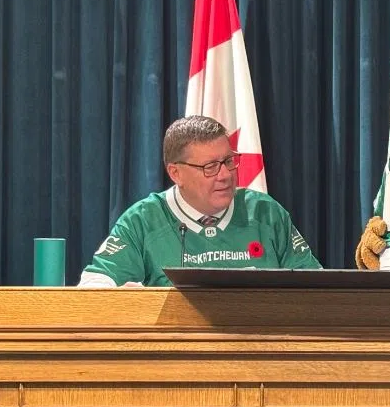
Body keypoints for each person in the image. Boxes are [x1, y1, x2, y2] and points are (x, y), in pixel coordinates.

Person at [78, 116, 322, 287]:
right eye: (210, 167)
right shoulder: (143, 220)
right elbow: (94, 284)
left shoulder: (265, 212)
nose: (225, 175)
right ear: (176, 173)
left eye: (228, 161)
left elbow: (315, 285)